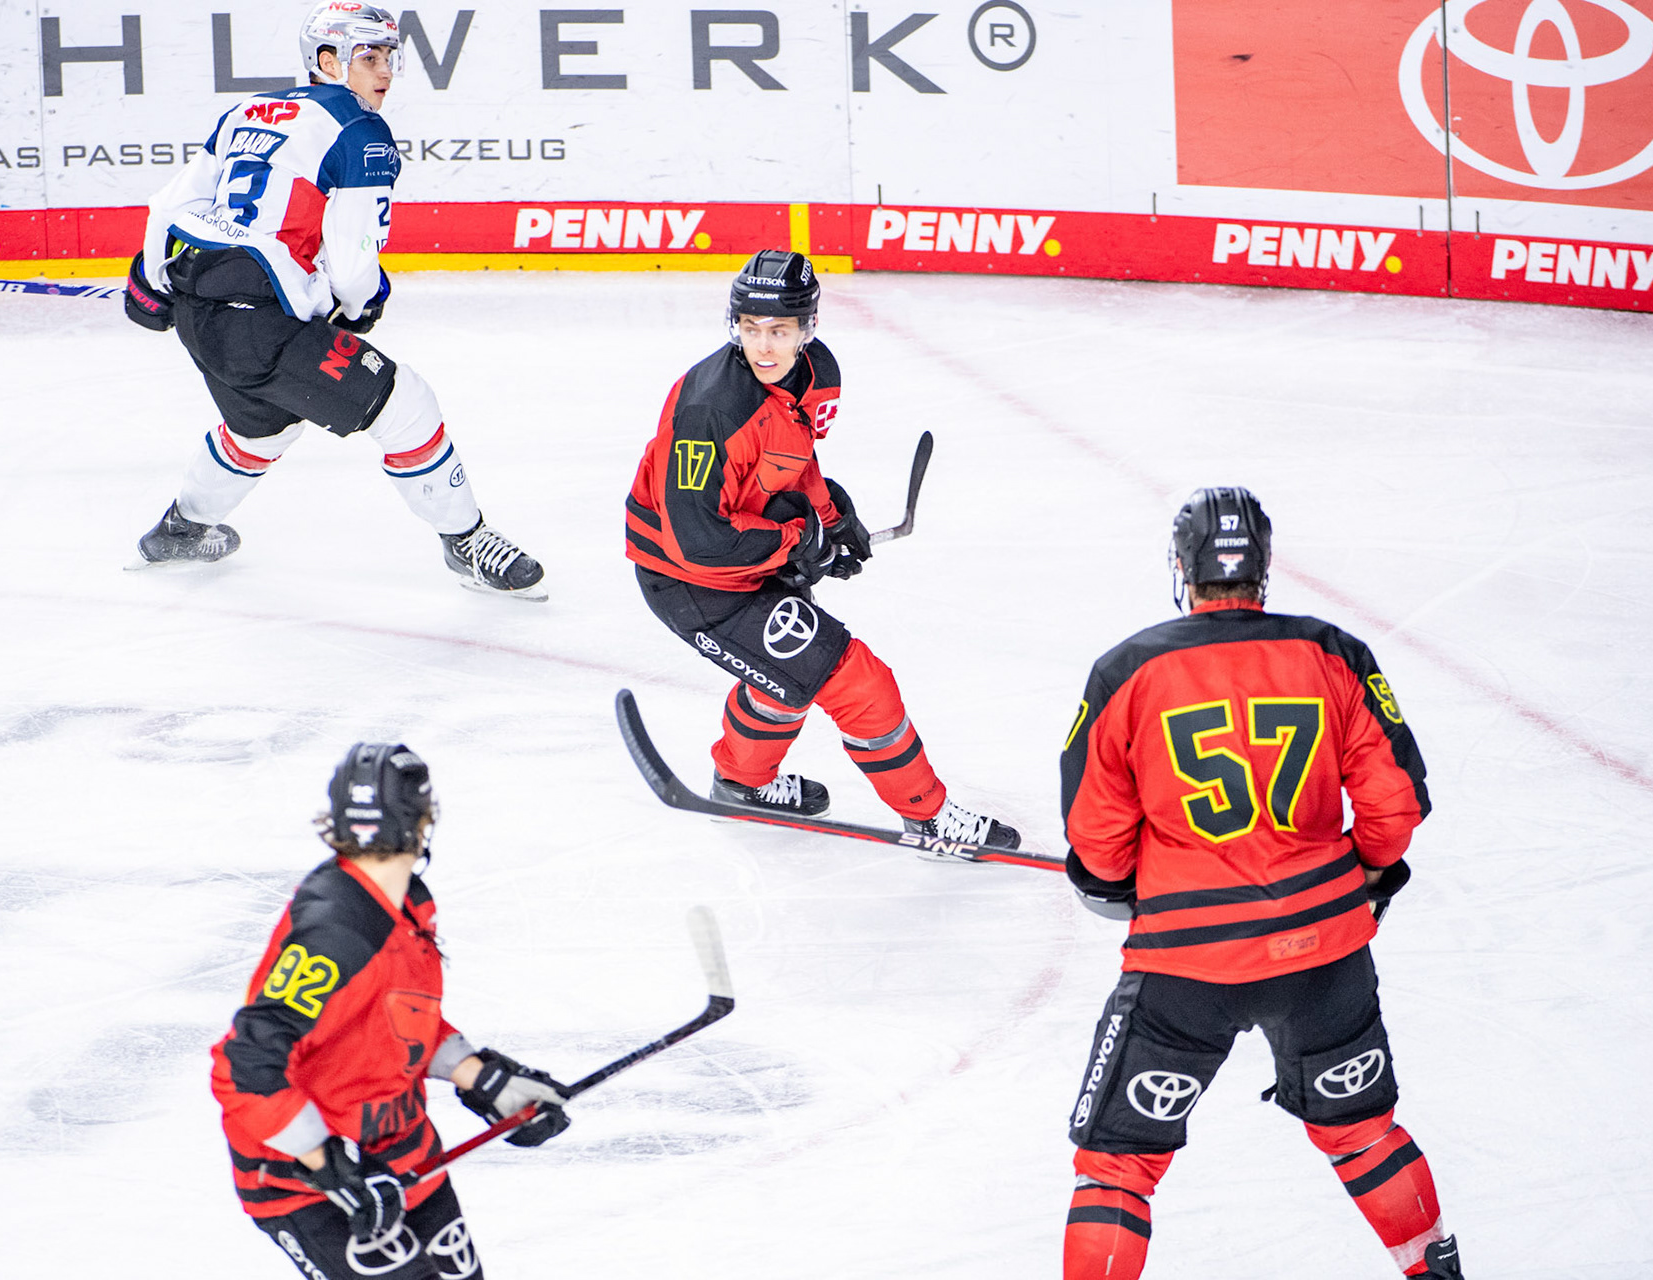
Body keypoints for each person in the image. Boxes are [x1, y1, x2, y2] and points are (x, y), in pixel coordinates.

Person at [1055, 486, 1461, 1280]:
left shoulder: (1126, 670)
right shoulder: (1333, 652)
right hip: (1325, 953)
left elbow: (1096, 839)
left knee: (1117, 1165)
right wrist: (1370, 873)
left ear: (1182, 569)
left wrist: (1117, 886)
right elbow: (1395, 803)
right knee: (1364, 1132)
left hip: (1185, 968)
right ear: (1263, 569)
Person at [122, 0, 545, 599]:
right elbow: (352, 267)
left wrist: (153, 282)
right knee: (408, 405)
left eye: (390, 57)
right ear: (326, 60)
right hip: (259, 319)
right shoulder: (360, 129)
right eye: (367, 56)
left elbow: (168, 207)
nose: (385, 71)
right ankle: (467, 542)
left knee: (260, 431)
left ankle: (181, 529)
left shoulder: (247, 108)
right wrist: (361, 303)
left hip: (200, 303)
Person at [624, 249, 1018, 849]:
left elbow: (793, 461)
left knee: (788, 672)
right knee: (856, 679)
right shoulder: (711, 411)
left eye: (779, 331)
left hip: (750, 551)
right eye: (750, 330)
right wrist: (798, 542)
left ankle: (740, 782)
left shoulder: (818, 374)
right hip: (692, 583)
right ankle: (929, 816)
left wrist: (833, 520)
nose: (763, 347)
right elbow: (698, 542)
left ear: (808, 329)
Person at [211, 742, 571, 1279]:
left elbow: (395, 1018)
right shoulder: (335, 932)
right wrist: (330, 1168)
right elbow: (244, 1068)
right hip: (309, 1184)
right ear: (421, 819)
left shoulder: (406, 901)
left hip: (401, 1152)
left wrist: (485, 1079)